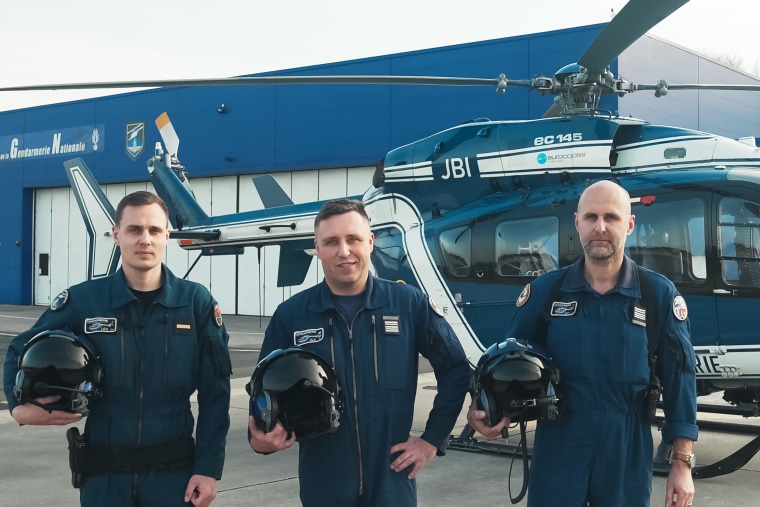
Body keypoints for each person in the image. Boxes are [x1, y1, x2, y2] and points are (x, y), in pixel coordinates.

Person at [467, 180, 698, 507]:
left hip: (627, 447)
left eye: (612, 218)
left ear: (630, 225)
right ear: (577, 223)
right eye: (591, 217)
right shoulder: (546, 294)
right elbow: (508, 360)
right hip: (560, 446)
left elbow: (681, 381)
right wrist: (483, 405)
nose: (600, 227)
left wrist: (682, 463)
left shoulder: (658, 296)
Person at [3, 191, 232, 507]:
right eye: (134, 230)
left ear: (167, 236)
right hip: (104, 477)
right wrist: (17, 406)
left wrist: (208, 469)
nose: (145, 240)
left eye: (154, 231)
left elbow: (215, 393)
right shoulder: (85, 300)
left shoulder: (196, 303)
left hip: (173, 477)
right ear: (116, 235)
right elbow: (19, 349)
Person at [247, 198, 471, 506]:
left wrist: (433, 439)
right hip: (324, 483)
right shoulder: (292, 315)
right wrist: (261, 438)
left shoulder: (409, 304)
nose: (343, 251)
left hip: (393, 480)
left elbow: (456, 369)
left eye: (353, 239)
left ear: (370, 241)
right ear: (317, 247)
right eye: (331, 242)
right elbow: (263, 389)